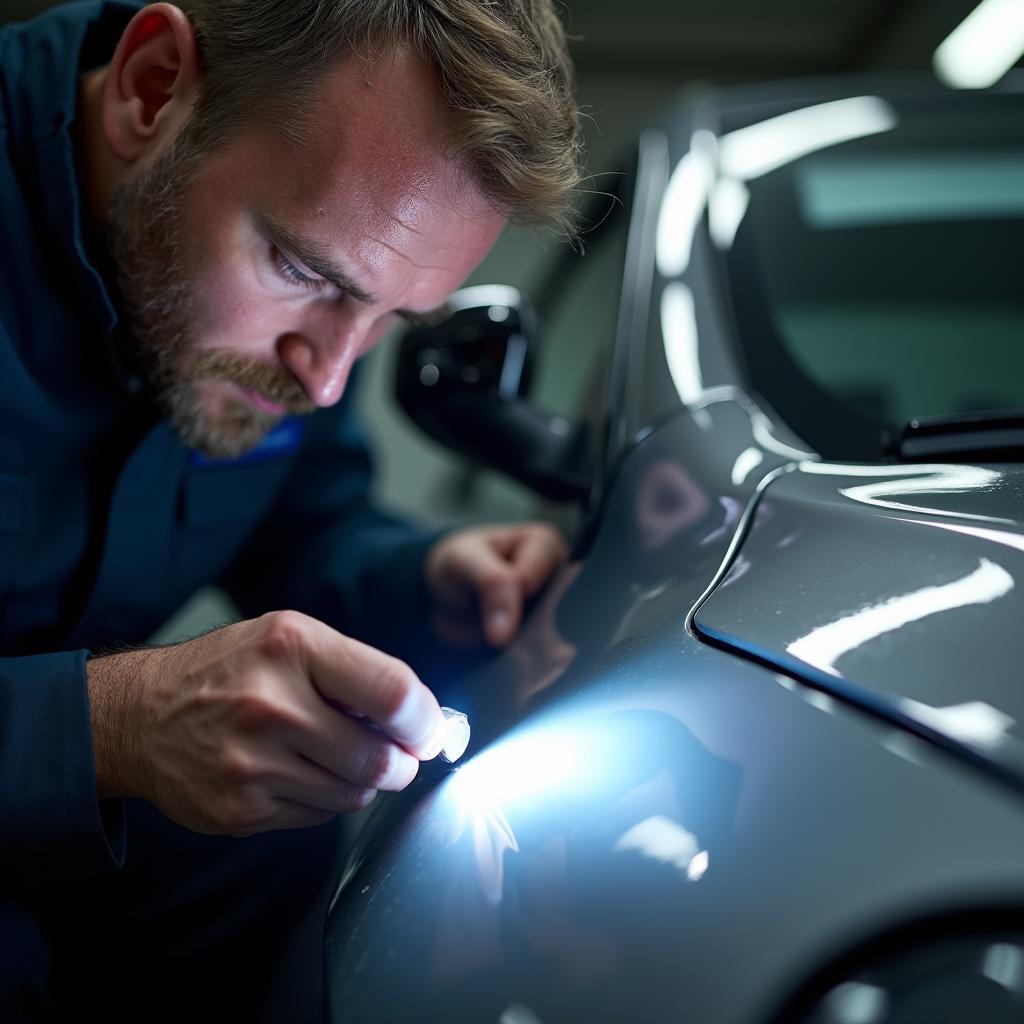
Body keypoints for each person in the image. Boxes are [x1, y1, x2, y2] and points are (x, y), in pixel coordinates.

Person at [0, 0, 581, 1019]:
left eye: (389, 319)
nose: (325, 378)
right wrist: (108, 728)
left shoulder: (303, 336)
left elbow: (302, 518)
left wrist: (425, 580)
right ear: (150, 90)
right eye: (305, 271)